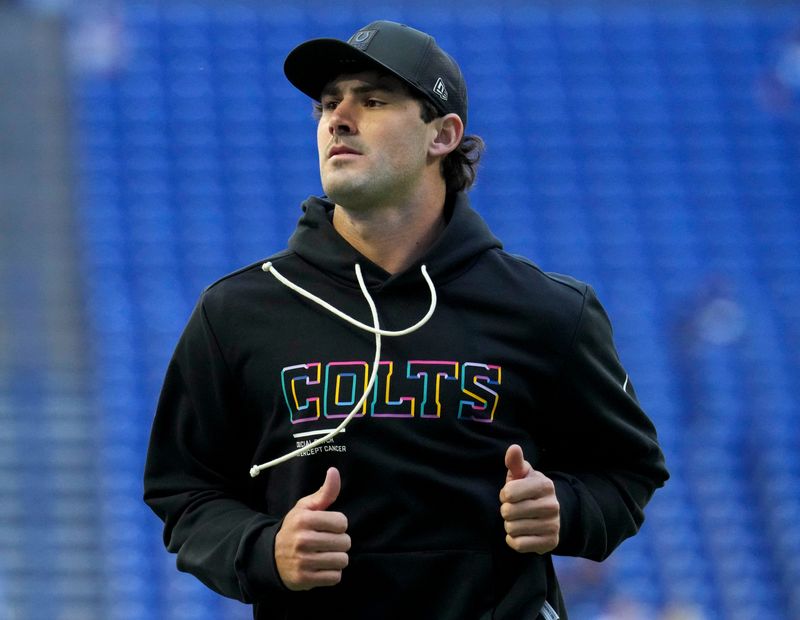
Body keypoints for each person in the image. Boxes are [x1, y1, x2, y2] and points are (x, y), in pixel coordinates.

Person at [144, 20, 669, 620]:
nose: (337, 119)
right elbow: (183, 491)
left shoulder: (549, 310)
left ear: (442, 135)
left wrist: (565, 511)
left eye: (371, 100)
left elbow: (629, 472)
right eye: (326, 104)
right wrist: (264, 550)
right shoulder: (237, 312)